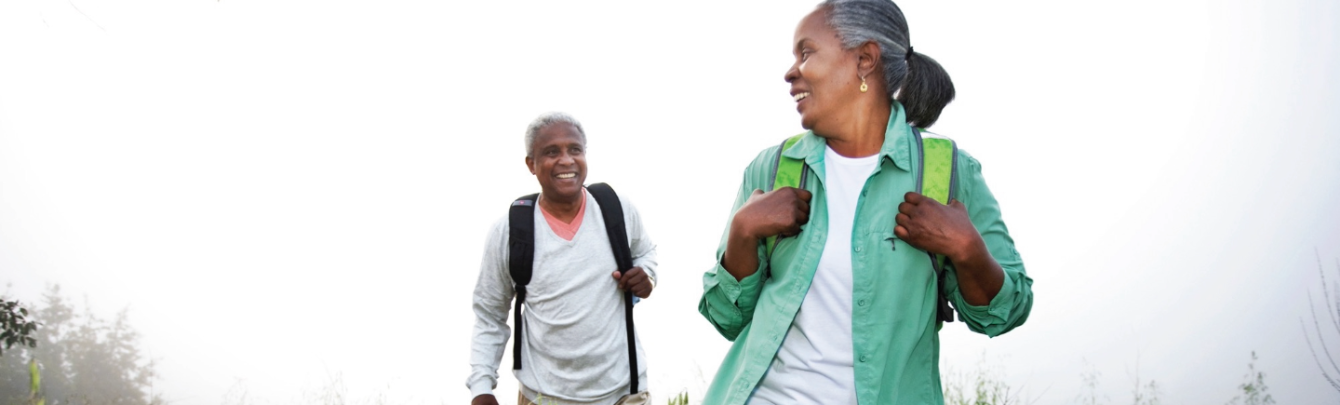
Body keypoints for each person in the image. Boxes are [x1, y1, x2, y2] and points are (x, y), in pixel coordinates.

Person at [698, 1, 1034, 404]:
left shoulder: (948, 172)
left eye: (806, 53)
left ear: (864, 60)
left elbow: (1006, 311)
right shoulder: (771, 169)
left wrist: (967, 250)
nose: (790, 73)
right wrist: (742, 232)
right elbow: (725, 316)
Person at [468, 113, 657, 405]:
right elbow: (490, 314)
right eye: (551, 152)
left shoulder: (616, 208)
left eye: (575, 149)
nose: (566, 160)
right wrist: (482, 387)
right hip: (543, 397)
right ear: (531, 164)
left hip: (624, 393)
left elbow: (645, 251)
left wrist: (646, 275)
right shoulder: (511, 230)